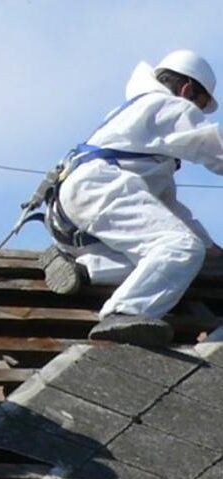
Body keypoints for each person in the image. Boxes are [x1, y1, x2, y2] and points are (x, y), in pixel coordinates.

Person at [41, 49, 223, 346]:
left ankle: (85, 269)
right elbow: (215, 149)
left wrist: (208, 246)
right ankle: (124, 313)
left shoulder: (139, 119)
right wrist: (197, 244)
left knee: (177, 257)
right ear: (187, 90)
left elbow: (165, 207)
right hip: (102, 188)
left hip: (74, 204)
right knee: (180, 248)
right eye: (199, 107)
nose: (197, 114)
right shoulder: (168, 106)